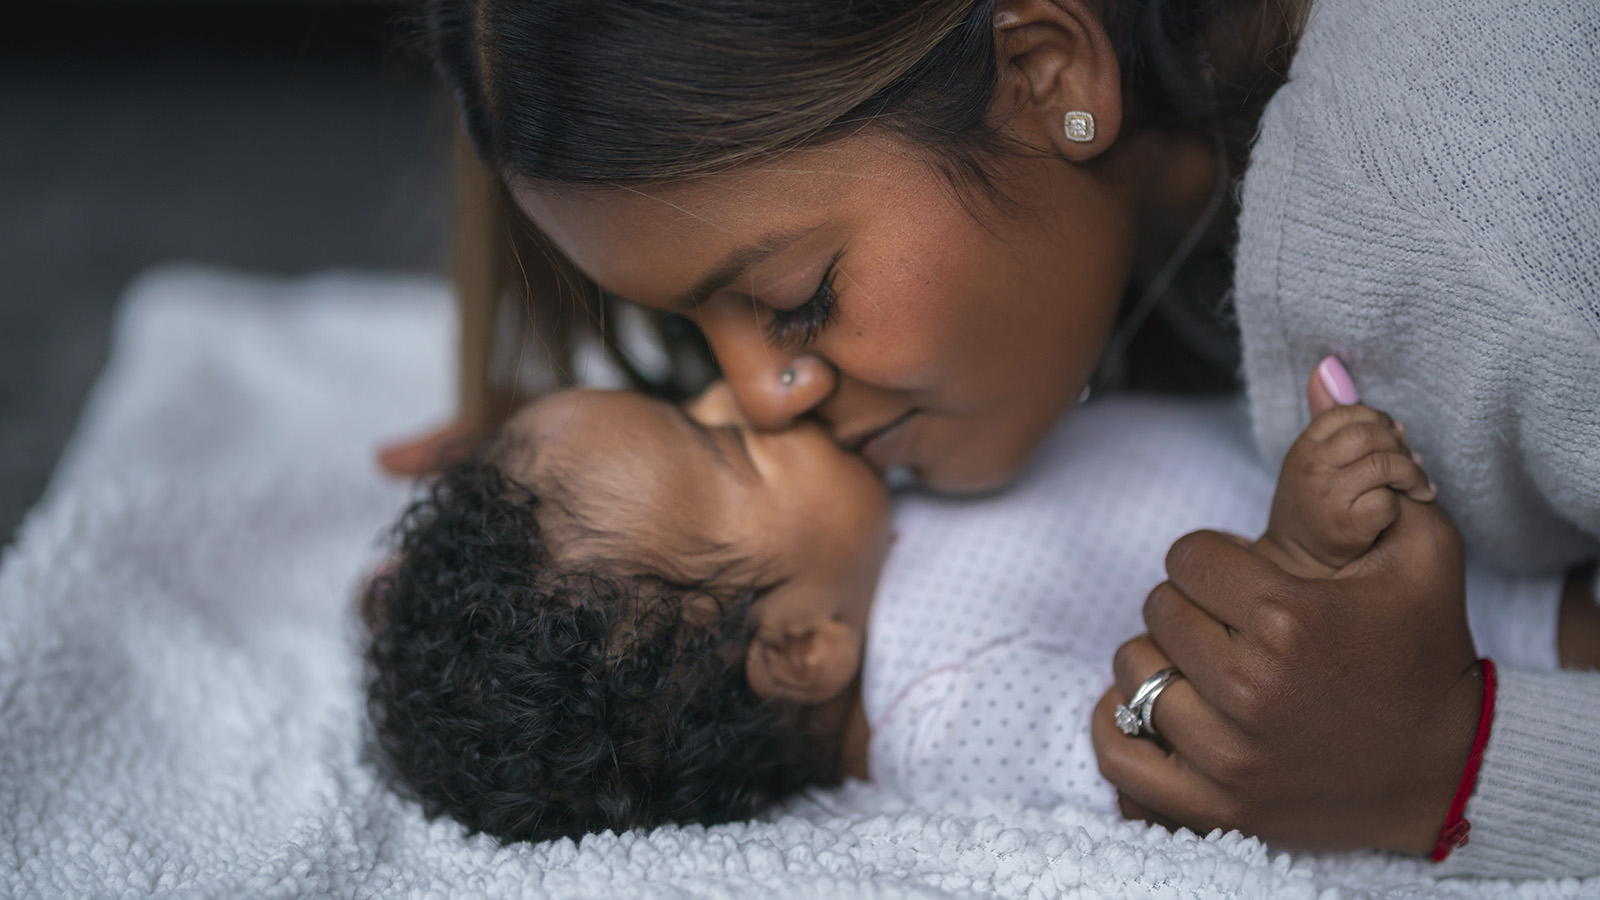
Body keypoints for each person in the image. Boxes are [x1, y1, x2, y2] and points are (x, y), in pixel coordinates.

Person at [380, 0, 1600, 875]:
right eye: (691, 343)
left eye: (796, 296)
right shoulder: (1073, 182)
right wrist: (518, 616)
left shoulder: (1502, 253)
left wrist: (1455, 761)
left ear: (1047, 76)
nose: (759, 398)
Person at [369, 381, 1557, 844]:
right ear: (796, 649)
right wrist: (1294, 555)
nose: (738, 391)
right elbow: (1194, 759)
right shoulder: (944, 707)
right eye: (723, 445)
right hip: (1468, 622)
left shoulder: (865, 535)